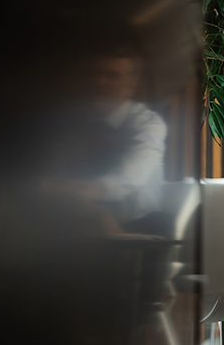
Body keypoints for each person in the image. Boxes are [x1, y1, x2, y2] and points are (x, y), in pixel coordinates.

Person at [43, 45, 170, 236]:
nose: (100, 82)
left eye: (112, 76)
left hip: (139, 226)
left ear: (131, 86)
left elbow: (133, 174)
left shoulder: (148, 123)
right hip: (80, 220)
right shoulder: (71, 124)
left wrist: (95, 190)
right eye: (95, 74)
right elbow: (55, 175)